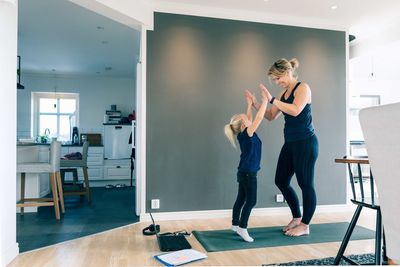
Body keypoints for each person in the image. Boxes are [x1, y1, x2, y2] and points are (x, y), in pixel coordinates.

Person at [248, 58, 319, 237]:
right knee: (281, 180)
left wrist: (271, 98)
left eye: (278, 78)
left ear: (287, 72)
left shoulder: (303, 88)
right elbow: (271, 115)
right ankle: (296, 217)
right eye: (274, 80)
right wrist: (256, 103)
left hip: (306, 143)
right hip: (290, 143)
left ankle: (305, 225)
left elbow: (295, 110)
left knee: (305, 184)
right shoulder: (283, 94)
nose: (277, 82)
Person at [224, 87, 269, 242]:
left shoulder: (246, 133)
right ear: (244, 124)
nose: (249, 118)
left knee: (241, 199)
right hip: (249, 173)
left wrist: (249, 103)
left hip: (244, 172)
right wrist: (264, 101)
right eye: (246, 118)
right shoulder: (249, 132)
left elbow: (250, 117)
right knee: (251, 201)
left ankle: (235, 225)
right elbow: (259, 117)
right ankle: (243, 228)